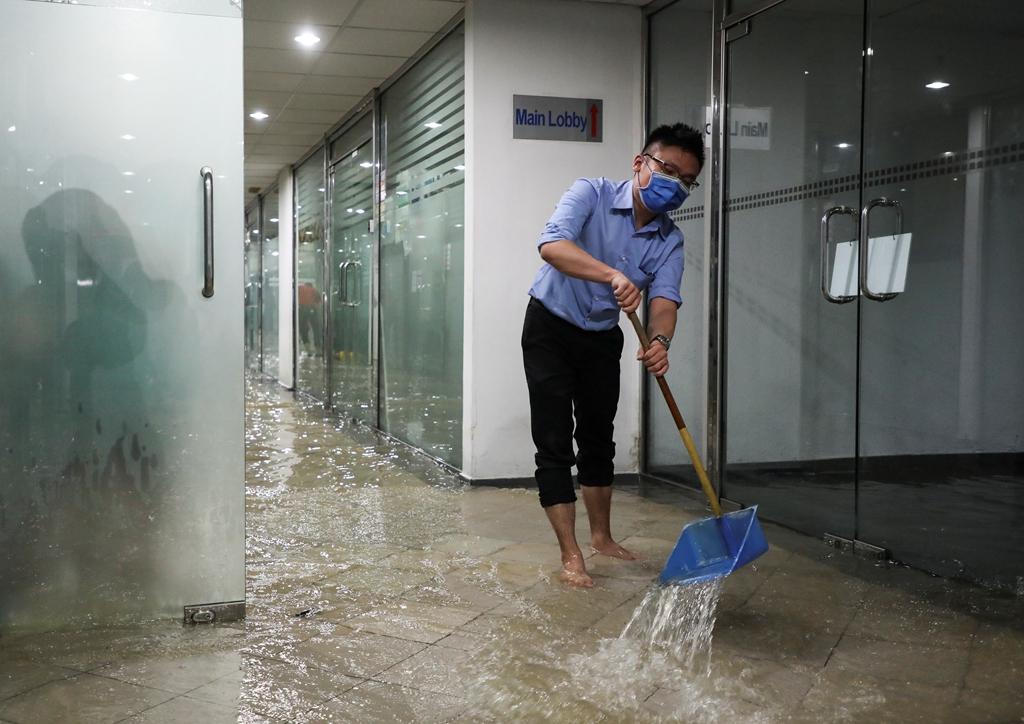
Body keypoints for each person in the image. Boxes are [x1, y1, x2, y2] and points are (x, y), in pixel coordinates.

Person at [522, 123, 704, 588]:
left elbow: (665, 301)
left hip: (602, 336)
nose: (675, 184)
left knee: (599, 437)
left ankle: (602, 537)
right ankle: (571, 552)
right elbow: (552, 246)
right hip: (550, 325)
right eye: (668, 169)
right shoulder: (592, 194)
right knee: (554, 436)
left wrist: (660, 342)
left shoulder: (669, 240)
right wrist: (611, 275)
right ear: (640, 162)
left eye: (687, 180)